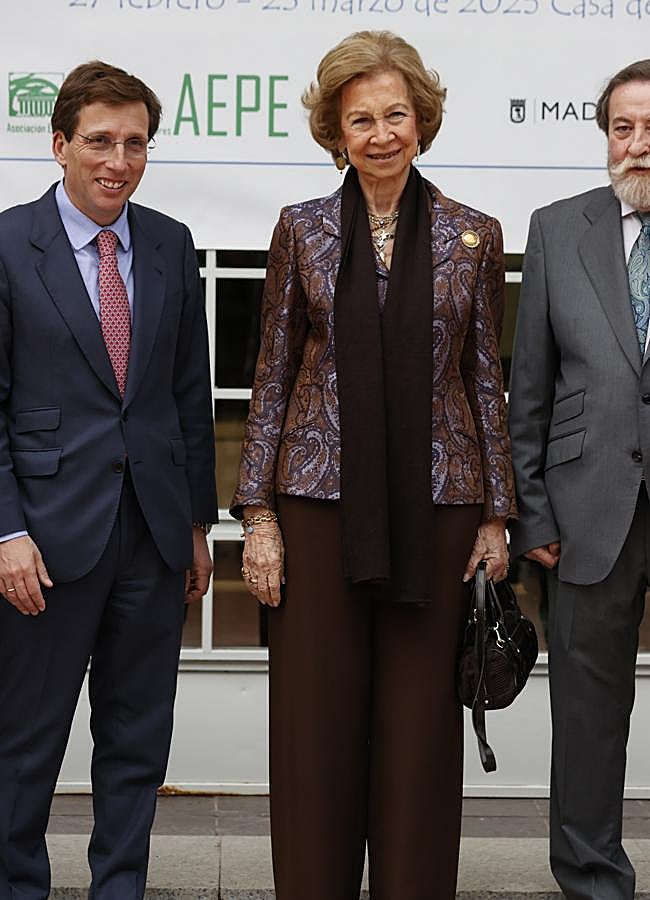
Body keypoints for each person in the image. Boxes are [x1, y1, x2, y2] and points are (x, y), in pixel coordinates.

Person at [231, 30, 515, 900]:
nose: (382, 133)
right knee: (317, 728)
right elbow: (273, 373)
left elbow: (486, 384)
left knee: (419, 733)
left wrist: (498, 517)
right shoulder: (303, 231)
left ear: (421, 120)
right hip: (316, 508)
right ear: (336, 131)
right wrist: (259, 515)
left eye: (397, 114)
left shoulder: (473, 235)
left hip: (439, 511)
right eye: (362, 119)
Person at [0, 61, 217, 900]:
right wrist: (7, 532)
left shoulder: (168, 243)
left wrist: (197, 524)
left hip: (153, 538)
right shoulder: (11, 244)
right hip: (44, 544)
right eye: (98, 141)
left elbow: (186, 396)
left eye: (134, 143)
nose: (116, 160)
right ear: (60, 146)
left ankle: (118, 888)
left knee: (136, 741)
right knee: (25, 742)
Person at [508, 59, 650, 900]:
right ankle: (594, 881)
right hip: (587, 509)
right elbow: (528, 384)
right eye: (622, 129)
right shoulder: (559, 228)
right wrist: (532, 513)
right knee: (589, 720)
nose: (638, 146)